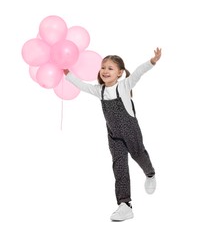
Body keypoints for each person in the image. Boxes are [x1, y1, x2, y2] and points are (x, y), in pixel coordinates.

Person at [63, 47, 162, 221]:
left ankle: (150, 174)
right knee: (119, 166)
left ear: (120, 73)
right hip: (114, 135)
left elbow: (138, 72)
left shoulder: (124, 85)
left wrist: (152, 61)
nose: (105, 71)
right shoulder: (99, 90)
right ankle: (125, 205)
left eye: (110, 68)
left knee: (139, 155)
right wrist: (67, 73)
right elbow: (82, 85)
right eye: (103, 67)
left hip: (131, 131)